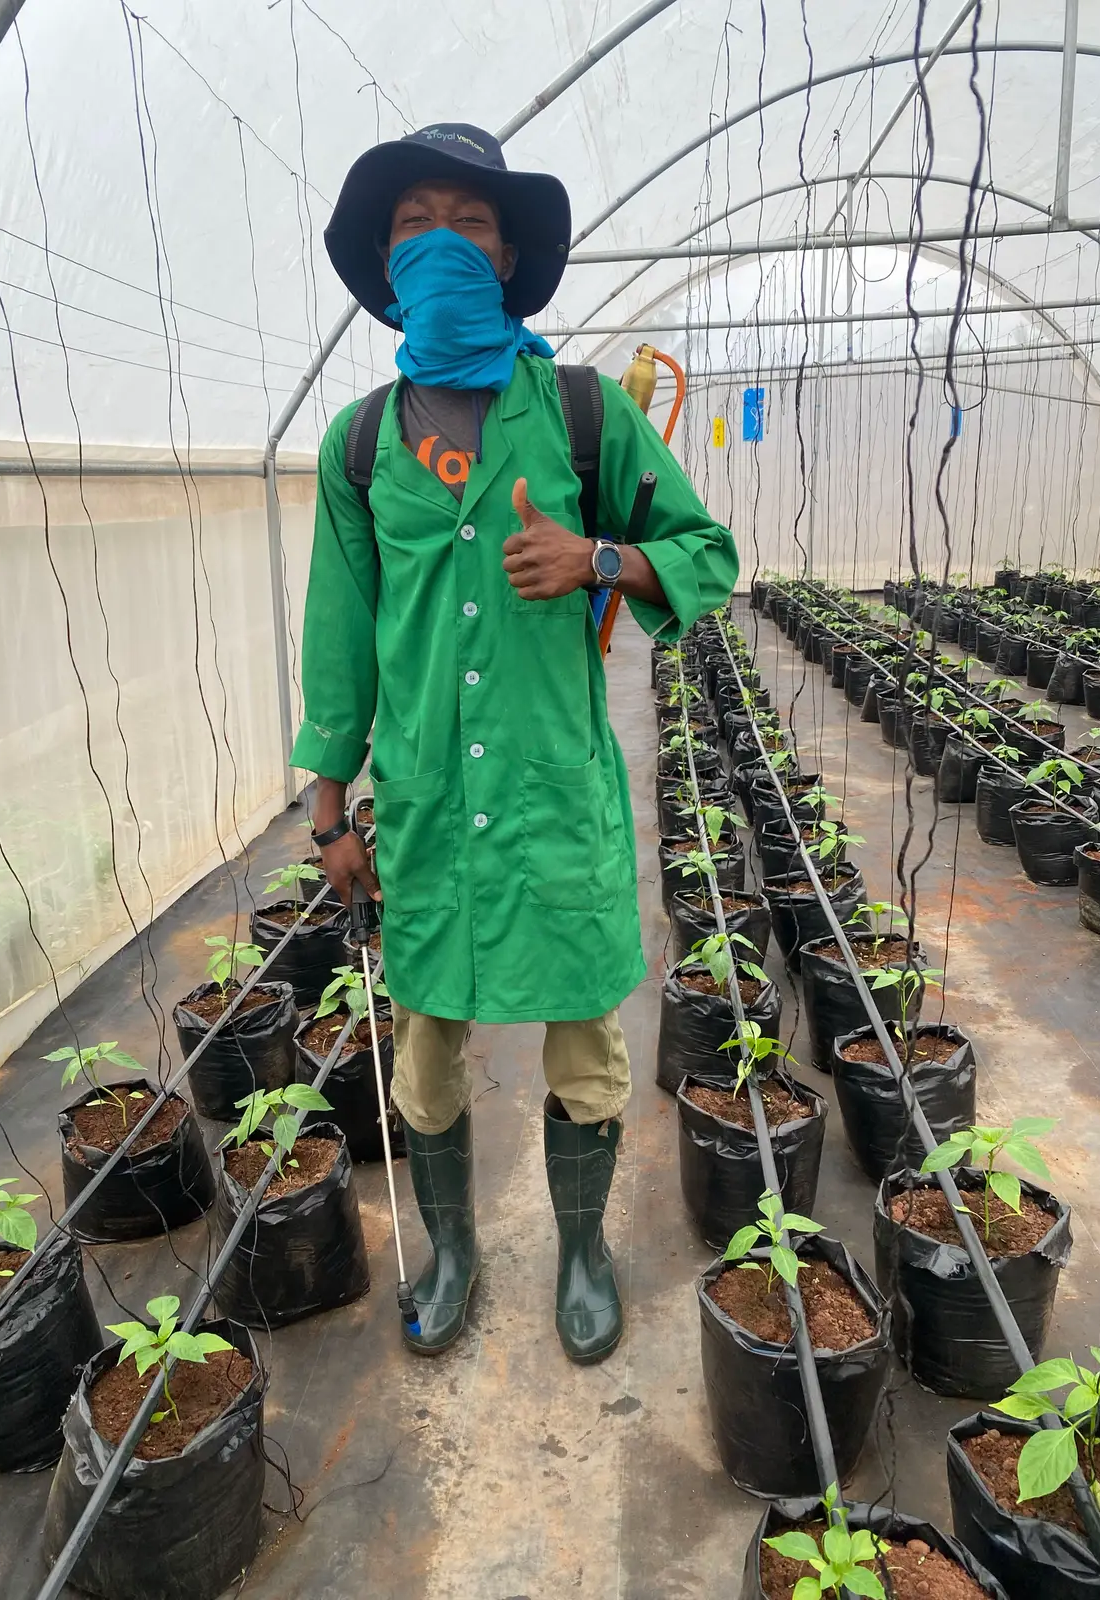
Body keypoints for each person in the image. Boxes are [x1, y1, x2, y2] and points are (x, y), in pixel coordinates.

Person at [292, 122, 738, 1364]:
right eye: (413, 221)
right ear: (386, 260)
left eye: (469, 220)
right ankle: (454, 1252)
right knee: (426, 1054)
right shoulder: (362, 443)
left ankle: (584, 1252)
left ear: (508, 250)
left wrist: (601, 557)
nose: (441, 240)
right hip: (428, 807)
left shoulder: (584, 411)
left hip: (554, 801)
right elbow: (341, 640)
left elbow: (709, 552)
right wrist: (330, 813)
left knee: (585, 1045)